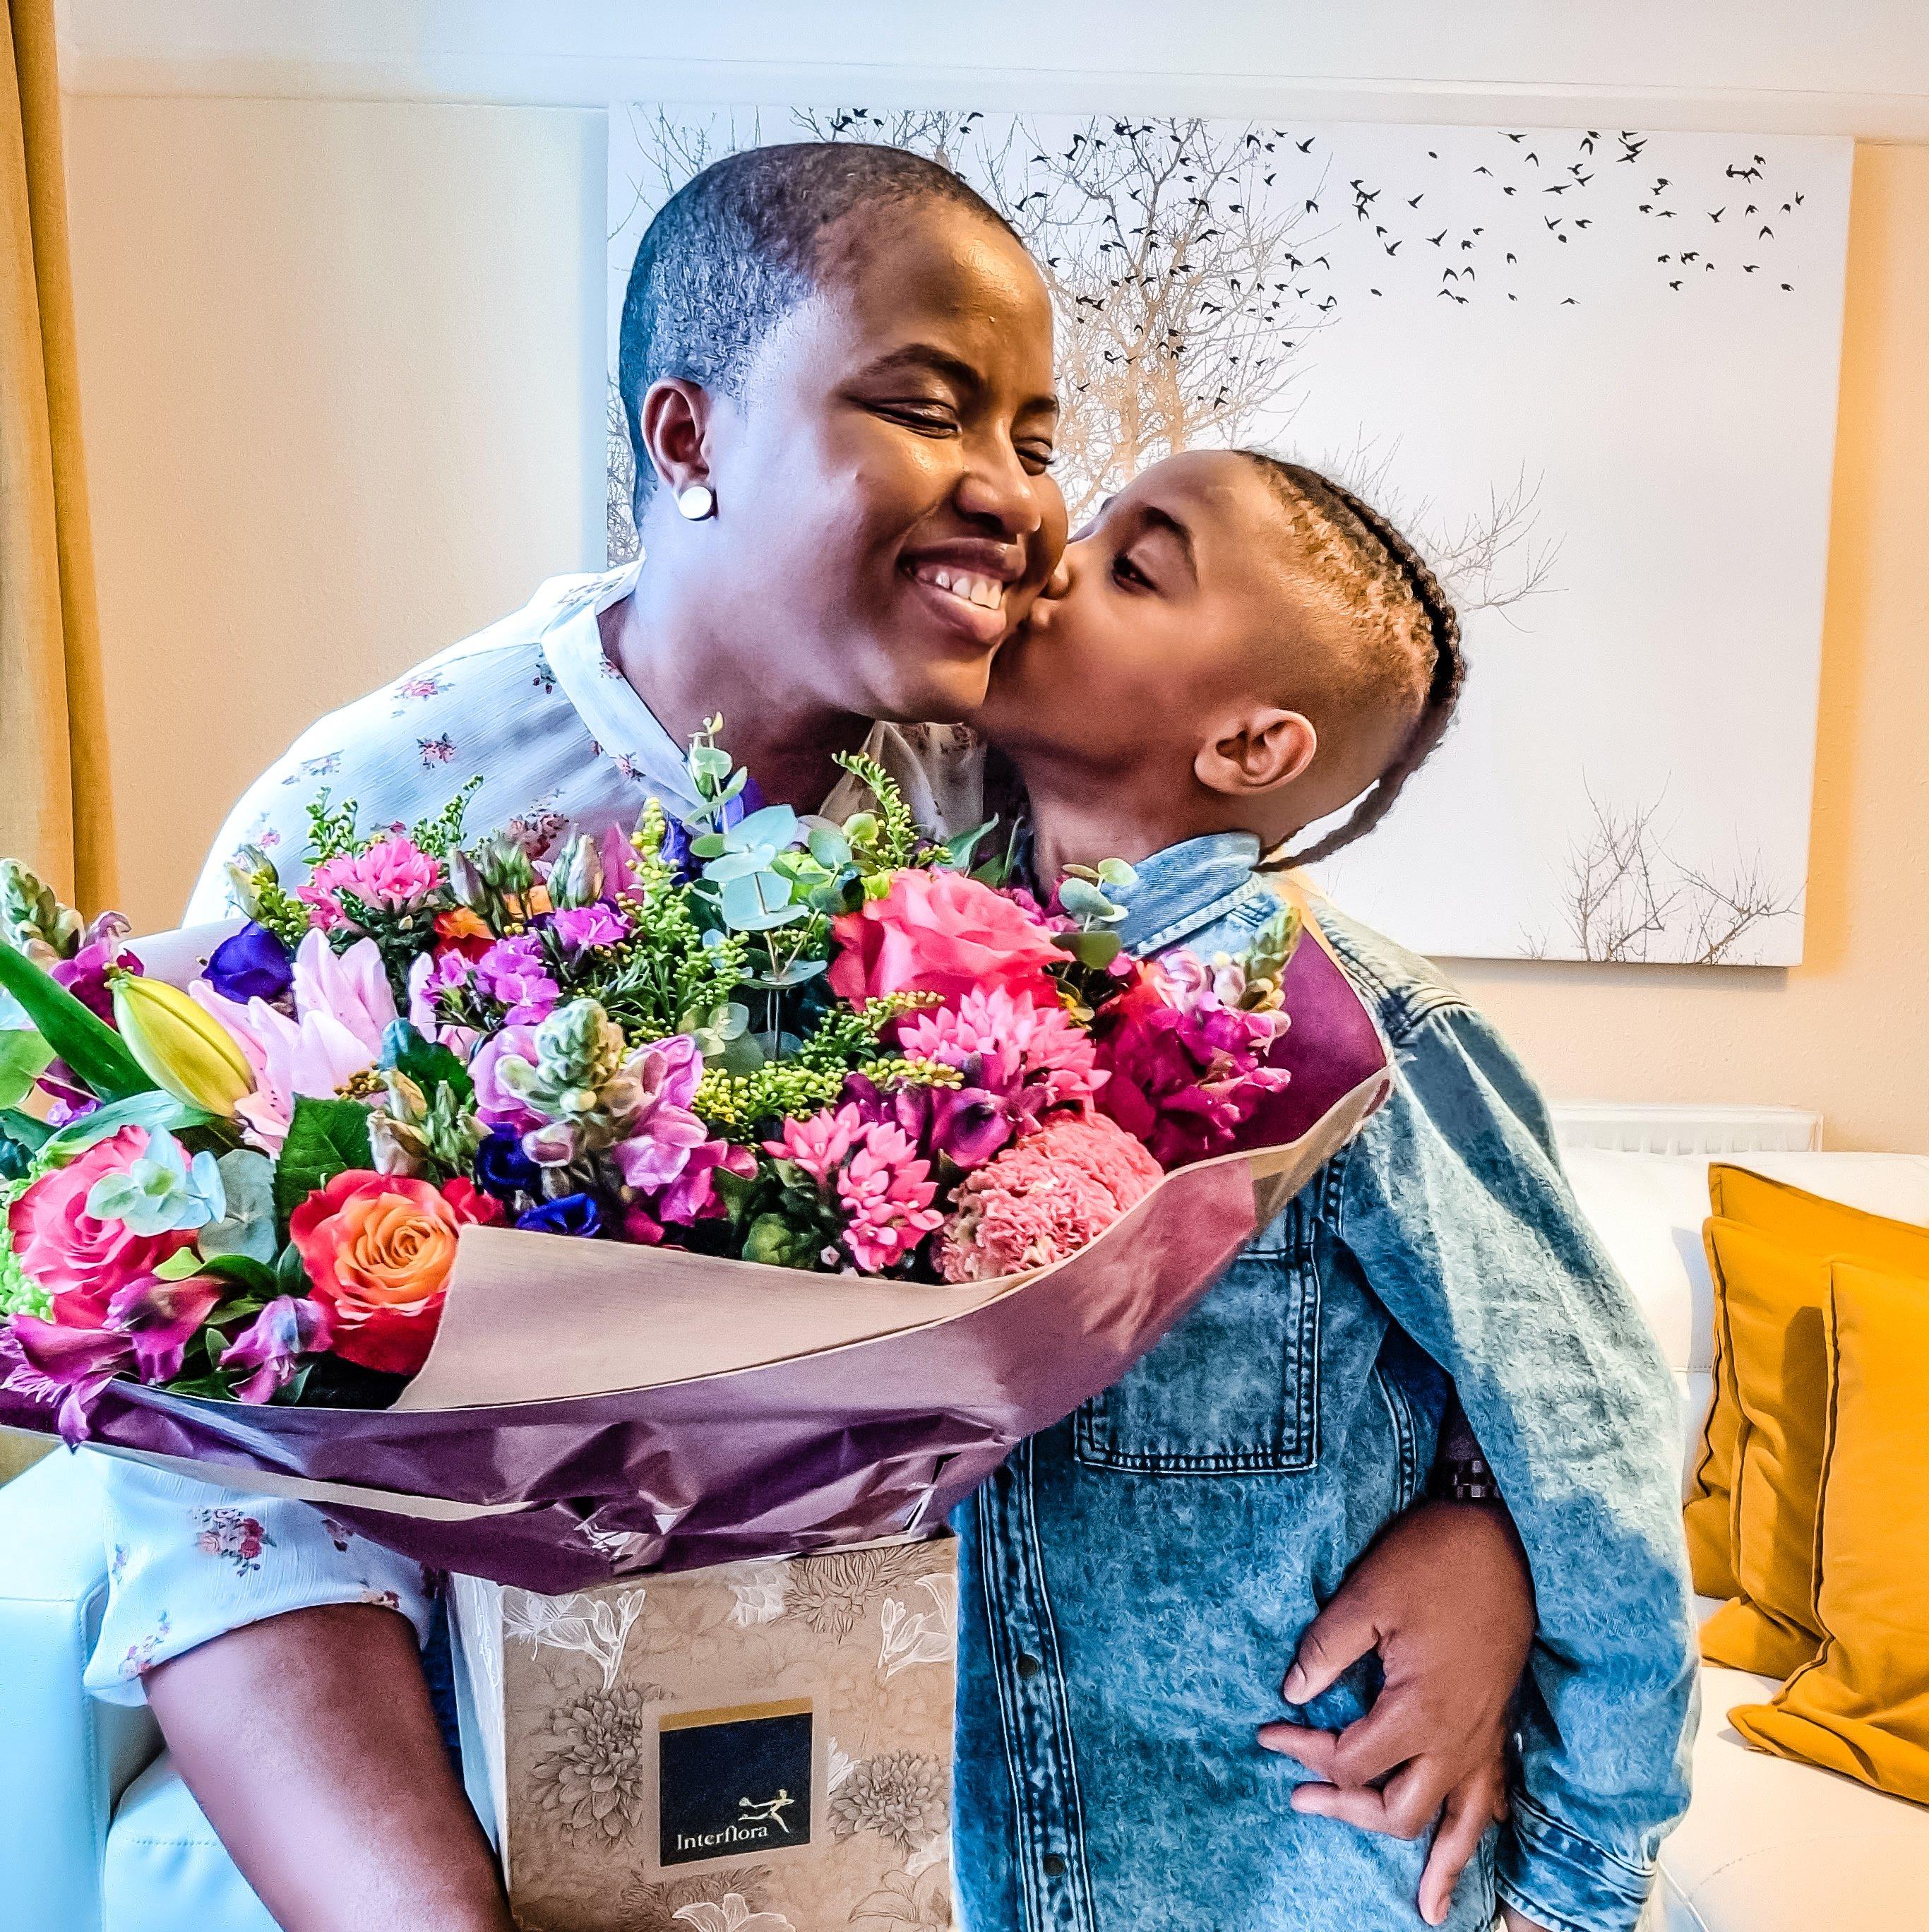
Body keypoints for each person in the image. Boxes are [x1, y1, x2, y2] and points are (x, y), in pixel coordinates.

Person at [87, 146, 1539, 1932]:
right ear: (687, 440)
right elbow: (220, 1489)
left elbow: (1377, 1185)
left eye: (1032, 433)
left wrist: (1490, 1520)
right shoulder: (372, 821)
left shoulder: (1021, 784)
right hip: (493, 1741)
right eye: (931, 408)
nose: (1017, 499)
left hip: (981, 1796)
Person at [952, 447, 1698, 1932]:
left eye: (1133, 561)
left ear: (1250, 746)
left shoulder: (1352, 1031)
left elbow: (1588, 1454)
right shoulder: (899, 983)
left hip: (1288, 1873)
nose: (1053, 552)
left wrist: (1571, 1893)